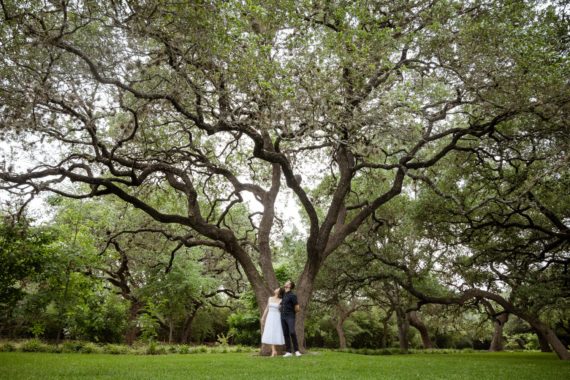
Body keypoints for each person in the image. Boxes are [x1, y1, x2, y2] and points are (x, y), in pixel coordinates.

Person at [261, 287, 285, 357]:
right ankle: (274, 351)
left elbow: (282, 310)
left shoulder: (281, 300)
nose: (276, 289)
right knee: (270, 331)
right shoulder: (270, 298)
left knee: (275, 332)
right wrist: (263, 317)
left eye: (277, 289)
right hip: (270, 316)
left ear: (279, 292)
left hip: (277, 317)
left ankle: (274, 351)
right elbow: (267, 308)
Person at [281, 280, 301, 357]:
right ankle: (288, 352)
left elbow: (297, 307)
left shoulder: (293, 295)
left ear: (289, 286)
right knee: (285, 333)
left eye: (287, 282)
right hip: (282, 317)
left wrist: (292, 313)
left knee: (292, 332)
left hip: (290, 316)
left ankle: (296, 351)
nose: (285, 283)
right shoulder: (283, 294)